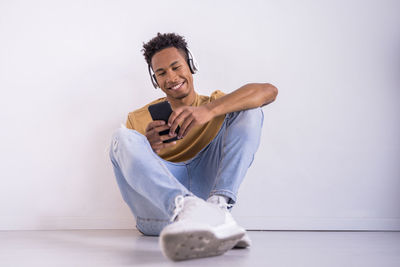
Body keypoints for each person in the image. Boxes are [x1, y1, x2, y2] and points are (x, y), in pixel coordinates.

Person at [109, 32, 278, 261]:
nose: (171, 78)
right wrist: (147, 148)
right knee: (122, 137)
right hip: (161, 212)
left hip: (207, 199)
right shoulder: (138, 119)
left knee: (250, 110)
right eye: (161, 73)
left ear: (191, 65)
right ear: (155, 81)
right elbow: (134, 172)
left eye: (176, 67)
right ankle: (186, 207)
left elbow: (269, 91)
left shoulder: (215, 104)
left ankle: (218, 208)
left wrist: (208, 111)